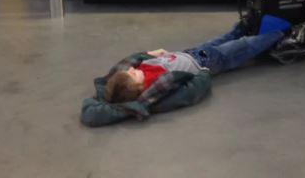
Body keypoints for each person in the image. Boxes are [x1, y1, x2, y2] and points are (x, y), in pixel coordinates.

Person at [80, 21, 286, 126]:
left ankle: (244, 27)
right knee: (241, 47)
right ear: (138, 87)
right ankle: (282, 33)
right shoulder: (154, 94)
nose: (132, 69)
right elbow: (189, 93)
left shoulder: (129, 79)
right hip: (203, 62)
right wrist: (204, 74)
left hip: (190, 53)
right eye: (133, 75)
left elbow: (125, 67)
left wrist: (149, 54)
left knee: (223, 39)